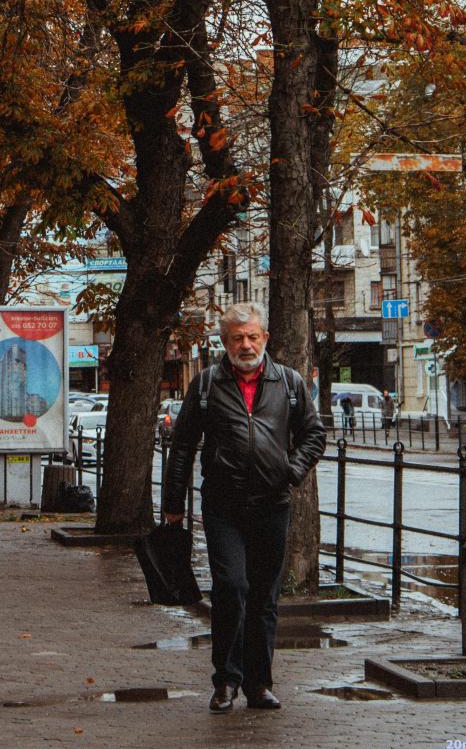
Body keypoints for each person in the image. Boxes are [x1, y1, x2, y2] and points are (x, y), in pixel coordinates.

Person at [163, 302, 326, 713]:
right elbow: (181, 447)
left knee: (264, 599)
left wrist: (292, 470)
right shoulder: (205, 385)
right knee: (231, 589)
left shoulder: (288, 382)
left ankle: (259, 684)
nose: (246, 345)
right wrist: (172, 506)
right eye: (238, 338)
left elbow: (314, 433)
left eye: (253, 336)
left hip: (272, 504)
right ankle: (226, 682)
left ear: (265, 338)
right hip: (223, 506)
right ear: (225, 342)